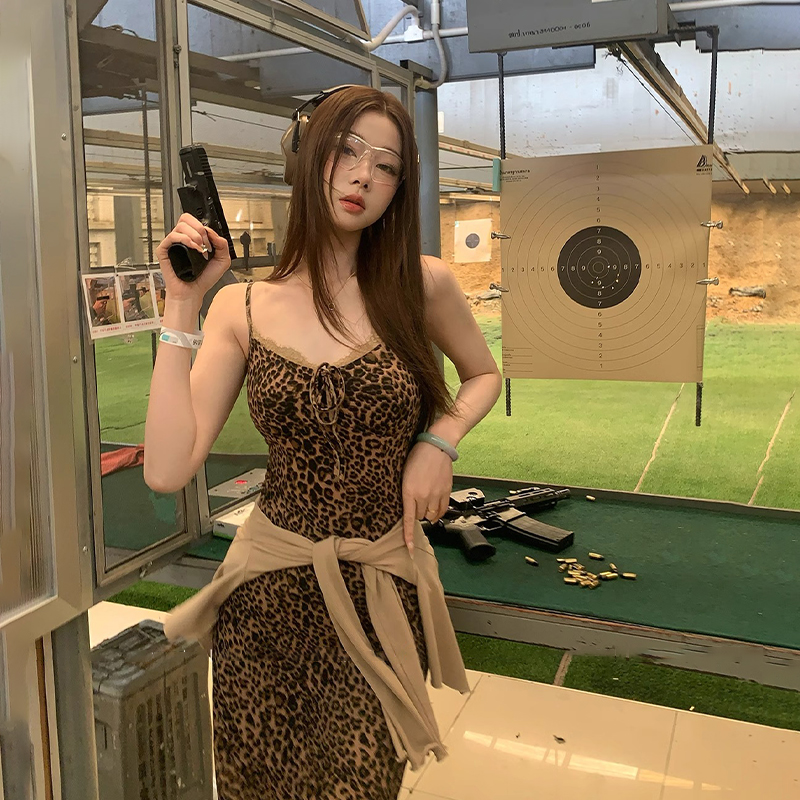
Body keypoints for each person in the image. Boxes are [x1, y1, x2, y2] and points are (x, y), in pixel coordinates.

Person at [144, 85, 502, 800]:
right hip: (264, 600)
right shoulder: (241, 304)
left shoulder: (421, 284)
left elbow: (483, 375)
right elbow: (166, 468)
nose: (364, 175)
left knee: (360, 783)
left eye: (387, 165)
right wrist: (182, 304)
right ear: (305, 157)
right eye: (347, 151)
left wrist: (440, 440)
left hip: (378, 591)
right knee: (256, 785)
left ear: (398, 188)